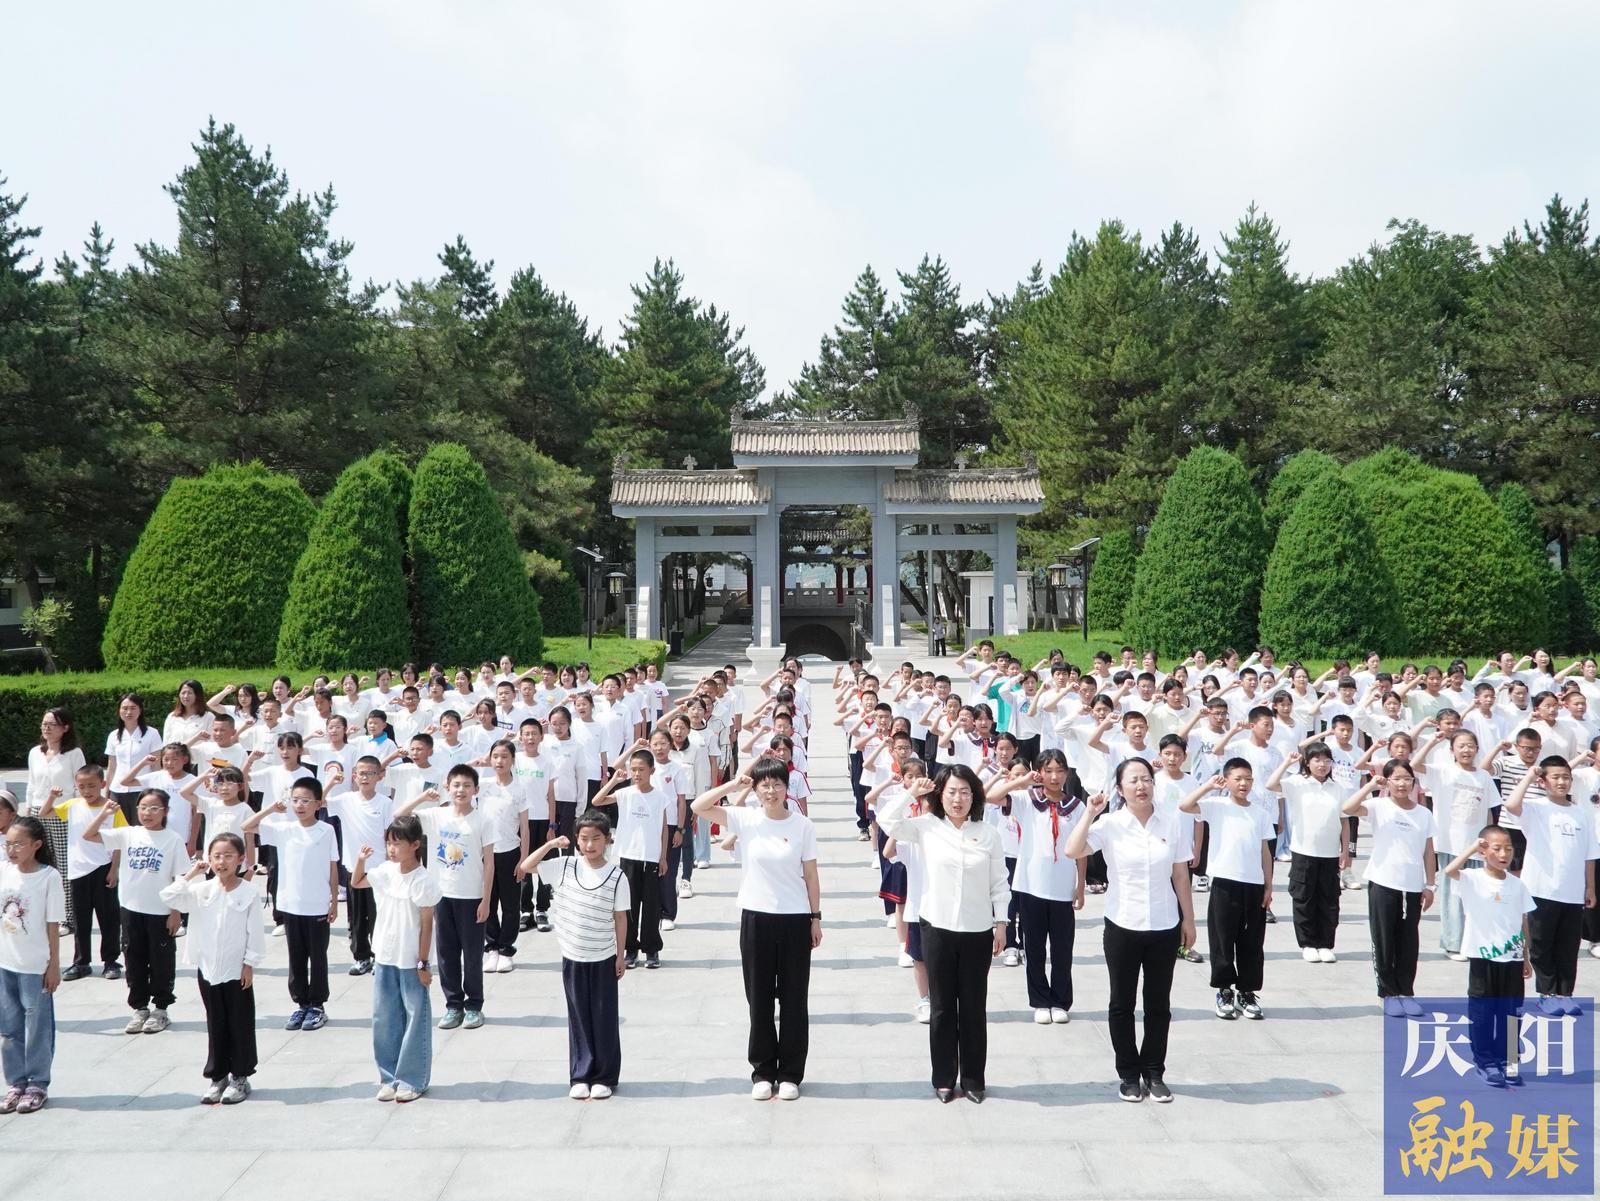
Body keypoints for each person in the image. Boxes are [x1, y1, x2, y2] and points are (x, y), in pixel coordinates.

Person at [874, 764, 1009, 1104]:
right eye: (951, 792)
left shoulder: (988, 833)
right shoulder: (926, 827)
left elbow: (999, 882)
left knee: (973, 1008)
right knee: (942, 1007)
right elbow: (887, 820)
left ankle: (974, 1079)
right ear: (940, 795)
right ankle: (944, 1078)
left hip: (977, 930)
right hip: (937, 928)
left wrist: (1002, 923)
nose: (958, 799)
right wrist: (911, 792)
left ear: (974, 796)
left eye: (964, 792)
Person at [1064, 757, 1195, 1103]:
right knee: (1122, 1003)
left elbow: (1181, 875)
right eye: (1133, 780)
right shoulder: (1111, 824)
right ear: (1120, 789)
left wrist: (1188, 920)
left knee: (1158, 1004)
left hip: (1164, 924)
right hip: (1123, 924)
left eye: (1146, 779)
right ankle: (1128, 1074)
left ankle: (1154, 1071)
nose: (1141, 786)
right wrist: (1090, 813)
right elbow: (1072, 850)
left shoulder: (1171, 822)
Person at [693, 758, 822, 1100]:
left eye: (777, 784)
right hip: (756, 917)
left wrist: (815, 917)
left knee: (794, 999)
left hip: (795, 919)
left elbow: (811, 875)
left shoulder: (803, 826)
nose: (771, 791)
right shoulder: (746, 818)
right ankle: (763, 1072)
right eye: (764, 785)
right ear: (757, 789)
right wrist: (734, 784)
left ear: (787, 788)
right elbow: (698, 807)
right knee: (759, 999)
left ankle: (791, 1073)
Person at [519, 811, 629, 1099]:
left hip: (603, 957)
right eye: (584, 839)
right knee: (578, 1017)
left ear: (607, 840)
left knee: (604, 1017)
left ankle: (604, 1076)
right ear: (577, 840)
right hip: (573, 957)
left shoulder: (617, 876)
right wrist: (551, 844)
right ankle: (580, 1075)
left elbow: (620, 918)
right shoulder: (564, 866)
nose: (590, 845)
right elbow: (526, 866)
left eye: (596, 839)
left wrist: (620, 955)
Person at [160, 834, 266, 1104]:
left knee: (240, 1022)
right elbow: (168, 896)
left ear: (240, 859)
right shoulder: (201, 890)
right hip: (208, 968)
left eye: (228, 856)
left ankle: (240, 1076)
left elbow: (254, 932)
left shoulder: (249, 893)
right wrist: (192, 873)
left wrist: (249, 964)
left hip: (236, 969)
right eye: (216, 856)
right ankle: (218, 1076)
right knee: (215, 1021)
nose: (222, 862)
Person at [985, 749, 1085, 1025]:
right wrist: (1022, 781)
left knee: (1062, 949)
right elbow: (990, 797)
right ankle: (1040, 1000)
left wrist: (1080, 885)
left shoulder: (1077, 806)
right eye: (1048, 770)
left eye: (1059, 770)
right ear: (1039, 772)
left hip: (1063, 888)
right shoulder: (1026, 800)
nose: (1054, 777)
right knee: (1035, 948)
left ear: (1067, 773)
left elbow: (1081, 849)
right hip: (1031, 886)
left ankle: (1060, 1000)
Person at [395, 765, 493, 1030]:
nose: (461, 790)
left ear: (476, 789)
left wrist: (486, 900)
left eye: (467, 785)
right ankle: (453, 1005)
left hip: (471, 896)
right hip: (440, 895)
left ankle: (474, 1006)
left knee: (472, 955)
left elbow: (489, 863)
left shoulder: (483, 819)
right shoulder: (436, 815)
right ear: (447, 787)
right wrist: (422, 797)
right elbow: (399, 815)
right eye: (456, 785)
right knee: (446, 954)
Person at [82, 788, 185, 1034]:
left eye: (154, 808)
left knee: (161, 960)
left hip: (160, 912)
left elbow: (180, 878)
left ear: (165, 811)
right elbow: (89, 835)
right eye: (143, 807)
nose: (148, 813)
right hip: (131, 910)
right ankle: (140, 1007)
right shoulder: (128, 834)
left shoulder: (172, 839)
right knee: (134, 959)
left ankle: (161, 1009)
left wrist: (175, 912)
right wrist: (104, 813)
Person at [1179, 760, 1275, 1021]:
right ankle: (1224, 990)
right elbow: (1185, 805)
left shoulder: (1260, 813)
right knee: (1222, 939)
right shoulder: (1217, 805)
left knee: (1252, 942)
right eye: (1238, 778)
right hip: (1224, 883)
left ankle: (1247, 992)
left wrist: (1268, 885)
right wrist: (1208, 786)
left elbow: (1265, 852)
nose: (1244, 784)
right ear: (1227, 780)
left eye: (1248, 779)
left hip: (1254, 885)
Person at [1500, 757, 1597, 1015]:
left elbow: (1590, 853)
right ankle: (1547, 994)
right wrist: (1529, 777)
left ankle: (1565, 994)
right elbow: (1511, 804)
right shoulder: (1536, 808)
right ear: (1543, 782)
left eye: (1566, 777)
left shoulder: (1581, 813)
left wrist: (1590, 888)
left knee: (1568, 946)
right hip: (1541, 890)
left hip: (1572, 893)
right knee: (1542, 945)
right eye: (1555, 777)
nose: (1562, 782)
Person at [353, 816, 440, 1103]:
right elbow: (357, 882)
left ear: (414, 845)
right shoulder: (385, 872)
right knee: (384, 1017)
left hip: (410, 959)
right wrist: (361, 861)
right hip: (385, 955)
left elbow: (427, 924)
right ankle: (388, 1077)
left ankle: (413, 1079)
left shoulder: (423, 880)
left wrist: (423, 963)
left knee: (415, 1018)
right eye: (388, 843)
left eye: (397, 843)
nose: (391, 849)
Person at [243, 777, 339, 1031]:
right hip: (291, 904)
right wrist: (271, 809)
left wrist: (334, 902)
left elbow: (332, 866)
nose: (299, 805)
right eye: (295, 800)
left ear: (318, 804)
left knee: (317, 957)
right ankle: (301, 1004)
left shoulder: (326, 830)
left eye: (306, 801)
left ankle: (317, 1005)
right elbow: (247, 825)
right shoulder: (283, 829)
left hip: (317, 905)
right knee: (296, 957)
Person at [1442, 826, 1534, 1086]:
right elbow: (1449, 871)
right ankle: (1485, 1062)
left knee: (1511, 1014)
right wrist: (1473, 847)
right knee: (1483, 1013)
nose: (1504, 854)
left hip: (1512, 959)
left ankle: (1508, 1061)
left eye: (1508, 848)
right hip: (1483, 958)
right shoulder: (1473, 878)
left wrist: (1526, 956)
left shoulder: (1518, 885)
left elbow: (1522, 920)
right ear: (1484, 851)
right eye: (1497, 848)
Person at [1344, 760, 1435, 1012]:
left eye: (1407, 779)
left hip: (1412, 886)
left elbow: (1428, 851)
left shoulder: (1424, 814)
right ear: (1388, 781)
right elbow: (1348, 808)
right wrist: (1371, 786)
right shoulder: (1378, 806)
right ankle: (1388, 994)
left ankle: (1406, 992)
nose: (1403, 784)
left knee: (1408, 942)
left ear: (1414, 782)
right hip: (1383, 882)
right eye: (1397, 778)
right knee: (1384, 940)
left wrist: (1431, 885)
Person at [0, 816, 63, 1114]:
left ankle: (37, 1083)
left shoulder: (49, 877)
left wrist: (53, 965)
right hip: (5, 962)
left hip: (35, 965)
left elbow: (53, 924)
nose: (12, 849)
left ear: (36, 845)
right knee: (9, 1028)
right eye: (8, 844)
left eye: (19, 844)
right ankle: (16, 1082)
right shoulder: (4, 870)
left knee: (37, 1026)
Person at [1264, 745, 1348, 963]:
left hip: (1330, 853)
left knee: (1329, 900)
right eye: (1317, 760)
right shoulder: (1297, 783)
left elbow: (1344, 820)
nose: (1322, 765)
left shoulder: (1337, 788)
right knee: (1304, 898)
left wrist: (1345, 851)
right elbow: (1270, 784)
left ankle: (1326, 944)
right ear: (1307, 763)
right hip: (1304, 851)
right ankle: (1308, 943)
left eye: (1327, 760)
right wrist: (1287, 763)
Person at [590, 749, 671, 970]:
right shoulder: (625, 793)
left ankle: (651, 949)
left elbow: (664, 829)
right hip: (628, 857)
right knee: (629, 906)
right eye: (633, 769)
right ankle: (630, 949)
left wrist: (663, 857)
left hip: (651, 858)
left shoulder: (660, 797)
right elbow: (597, 800)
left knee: (651, 906)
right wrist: (614, 781)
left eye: (641, 769)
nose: (637, 774)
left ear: (651, 770)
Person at [51, 765, 124, 983]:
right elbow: (45, 813)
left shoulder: (112, 808)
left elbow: (120, 840)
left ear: (103, 784)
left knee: (108, 918)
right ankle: (81, 962)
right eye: (81, 786)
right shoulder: (72, 805)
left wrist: (114, 869)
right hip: (78, 870)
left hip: (103, 868)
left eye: (92, 786)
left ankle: (111, 960)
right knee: (81, 919)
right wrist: (51, 797)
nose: (86, 791)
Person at [105, 694, 163, 823]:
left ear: (140, 710)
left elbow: (156, 766)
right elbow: (112, 767)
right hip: (117, 790)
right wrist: (107, 792)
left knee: (141, 827)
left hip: (142, 790)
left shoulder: (152, 733)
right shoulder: (113, 736)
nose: (128, 712)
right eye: (124, 708)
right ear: (119, 711)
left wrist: (156, 791)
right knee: (118, 828)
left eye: (133, 708)